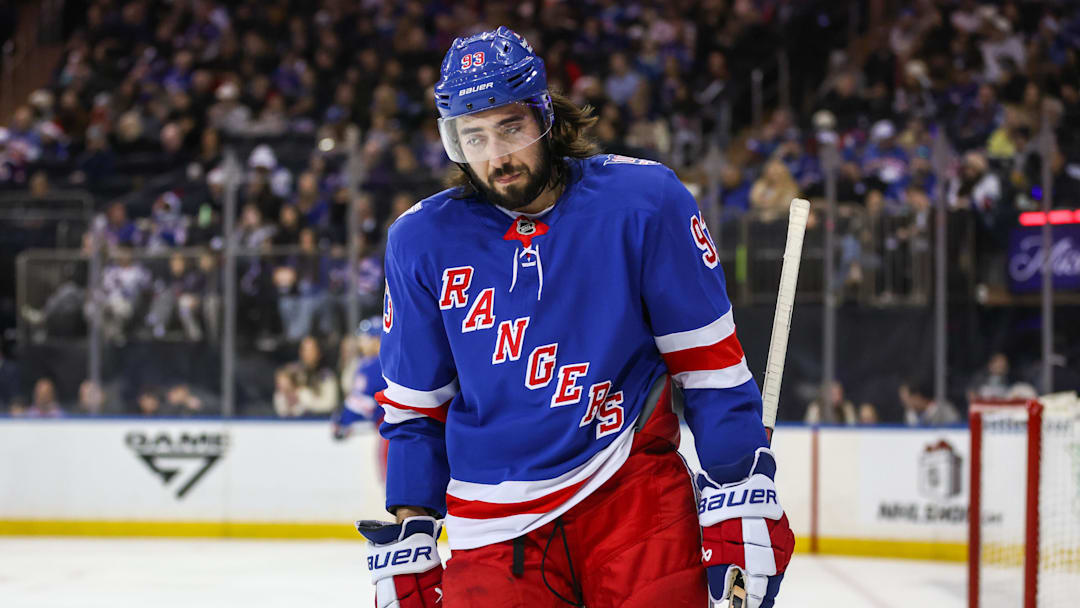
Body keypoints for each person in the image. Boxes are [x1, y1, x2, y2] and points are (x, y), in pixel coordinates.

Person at [355, 27, 793, 608]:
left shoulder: (643, 201)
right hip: (492, 526)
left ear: (546, 116)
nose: (497, 157)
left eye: (511, 127)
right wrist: (410, 530)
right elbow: (415, 410)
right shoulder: (420, 240)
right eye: (474, 137)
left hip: (631, 494)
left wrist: (740, 486)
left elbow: (709, 369)